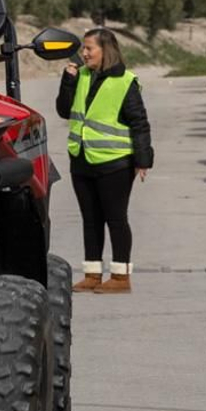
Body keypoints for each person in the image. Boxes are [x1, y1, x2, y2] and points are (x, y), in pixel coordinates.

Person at [56, 28, 153, 294]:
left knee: (116, 218)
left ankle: (121, 277)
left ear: (105, 50)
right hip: (82, 158)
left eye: (89, 48)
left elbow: (139, 123)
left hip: (115, 162)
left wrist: (143, 160)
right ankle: (92, 274)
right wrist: (68, 80)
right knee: (90, 219)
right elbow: (64, 110)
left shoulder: (125, 81)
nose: (84, 53)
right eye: (84, 48)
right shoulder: (81, 76)